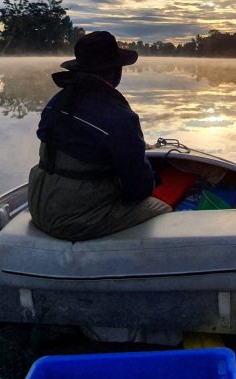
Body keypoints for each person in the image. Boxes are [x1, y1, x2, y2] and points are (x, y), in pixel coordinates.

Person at [29, 31, 170, 241]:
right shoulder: (121, 118)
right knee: (162, 209)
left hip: (38, 205)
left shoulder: (55, 103)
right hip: (74, 220)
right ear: (114, 71)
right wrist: (152, 180)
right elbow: (137, 189)